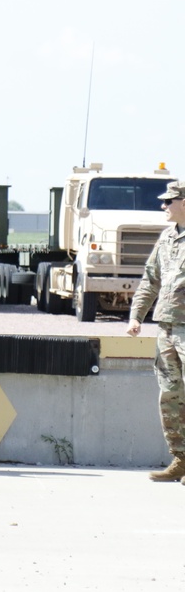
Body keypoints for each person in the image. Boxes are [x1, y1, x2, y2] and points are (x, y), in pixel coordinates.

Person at [127, 180, 185, 483]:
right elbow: (151, 280)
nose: (163, 206)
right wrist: (136, 315)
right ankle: (181, 459)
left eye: (168, 201)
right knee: (170, 395)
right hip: (166, 326)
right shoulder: (167, 238)